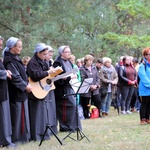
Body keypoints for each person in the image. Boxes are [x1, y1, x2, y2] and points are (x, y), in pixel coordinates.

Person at [3, 37, 32, 144]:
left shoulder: (15, 58)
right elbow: (15, 77)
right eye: (19, 46)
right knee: (17, 116)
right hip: (15, 93)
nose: (21, 48)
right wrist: (25, 86)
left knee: (22, 115)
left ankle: (24, 137)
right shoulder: (9, 60)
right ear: (12, 48)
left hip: (21, 92)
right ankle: (18, 139)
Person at [27, 43, 57, 140]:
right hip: (36, 90)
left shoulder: (43, 61)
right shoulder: (32, 62)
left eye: (46, 54)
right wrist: (48, 72)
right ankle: (37, 135)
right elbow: (35, 75)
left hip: (43, 89)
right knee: (38, 113)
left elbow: (44, 74)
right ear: (38, 53)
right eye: (44, 54)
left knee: (44, 112)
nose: (45, 56)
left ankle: (45, 133)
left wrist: (52, 72)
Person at [53, 45, 82, 132]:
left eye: (70, 52)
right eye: (67, 52)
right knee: (66, 108)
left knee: (74, 106)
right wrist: (69, 77)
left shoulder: (69, 62)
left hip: (70, 87)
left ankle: (74, 126)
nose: (69, 53)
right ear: (62, 53)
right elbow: (57, 79)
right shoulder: (57, 63)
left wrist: (74, 76)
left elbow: (72, 72)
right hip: (62, 90)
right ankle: (65, 127)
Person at [0, 36, 15, 148]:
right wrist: (5, 73)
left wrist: (5, 71)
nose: (1, 47)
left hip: (3, 90)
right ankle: (4, 141)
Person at [80, 54, 101, 118]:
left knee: (98, 101)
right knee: (86, 103)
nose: (91, 62)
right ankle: (86, 115)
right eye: (89, 60)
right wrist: (90, 86)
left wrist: (96, 85)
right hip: (86, 89)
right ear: (86, 61)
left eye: (92, 60)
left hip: (95, 89)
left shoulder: (94, 68)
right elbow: (83, 79)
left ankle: (98, 114)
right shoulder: (82, 69)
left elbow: (97, 77)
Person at [138, 47, 150, 125]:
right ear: (145, 56)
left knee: (149, 104)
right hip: (145, 88)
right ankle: (143, 118)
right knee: (144, 103)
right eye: (149, 54)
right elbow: (143, 77)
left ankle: (147, 118)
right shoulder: (143, 65)